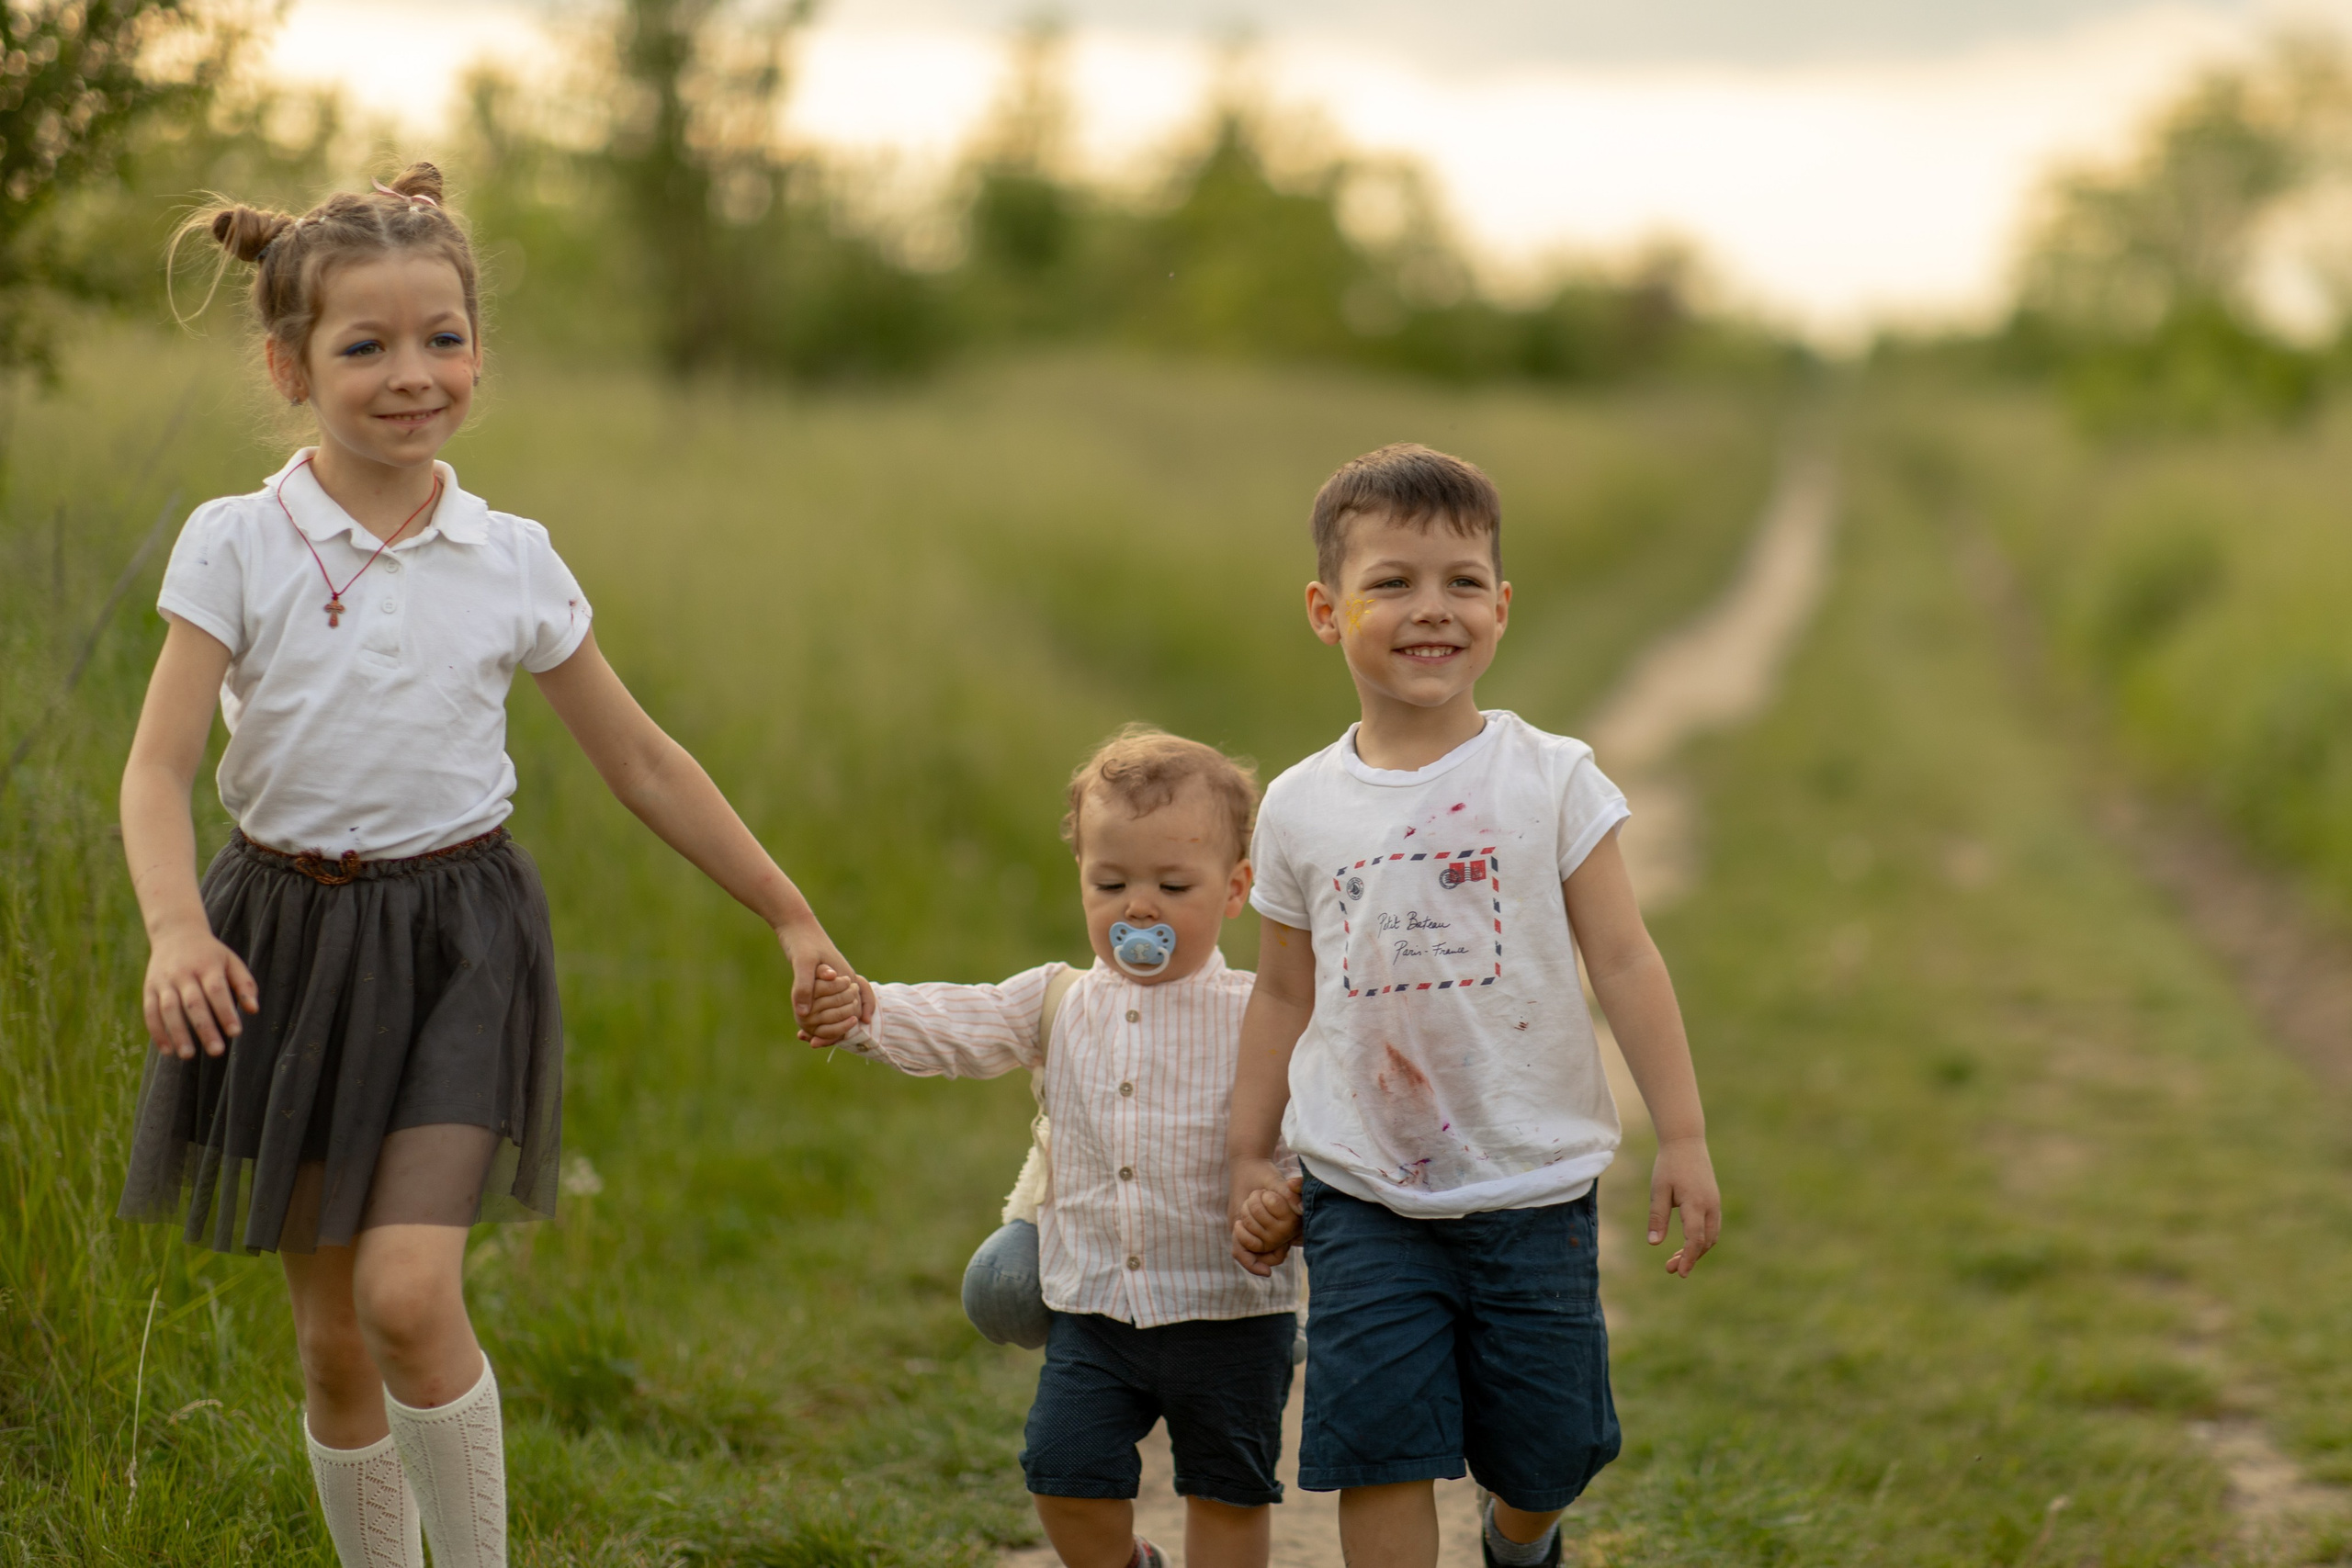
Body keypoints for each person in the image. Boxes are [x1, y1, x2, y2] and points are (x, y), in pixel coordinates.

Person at [115, 164, 865, 1568]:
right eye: (366, 345)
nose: (414, 375)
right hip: (276, 942)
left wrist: (791, 913)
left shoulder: (509, 558)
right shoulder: (238, 540)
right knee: (334, 1339)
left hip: (461, 940)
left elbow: (642, 760)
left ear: (477, 348)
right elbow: (155, 768)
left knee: (409, 1294)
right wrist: (173, 929)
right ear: (289, 365)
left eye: (444, 339)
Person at [1225, 444, 1722, 1568]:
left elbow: (1628, 962)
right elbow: (1283, 993)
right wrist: (1249, 1157)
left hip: (1532, 1189)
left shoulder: (1549, 779)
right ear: (1325, 608)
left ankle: (1518, 1540)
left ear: (1500, 608)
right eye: (1391, 582)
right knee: (1378, 1449)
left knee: (1548, 1455)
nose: (1428, 610)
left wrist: (1681, 1134)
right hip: (1360, 1191)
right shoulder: (1300, 807)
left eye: (1459, 583)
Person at [802, 727, 1300, 1568]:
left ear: (1235, 889)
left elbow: (1306, 1130)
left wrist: (1285, 1201)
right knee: (1062, 1473)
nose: (1137, 907)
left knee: (1227, 1490)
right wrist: (865, 1011)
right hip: (1095, 1305)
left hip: (1231, 1312)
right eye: (1110, 883)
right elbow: (961, 1021)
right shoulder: (1058, 1001)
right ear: (1082, 880)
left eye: (1173, 883)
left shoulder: (1262, 1013)